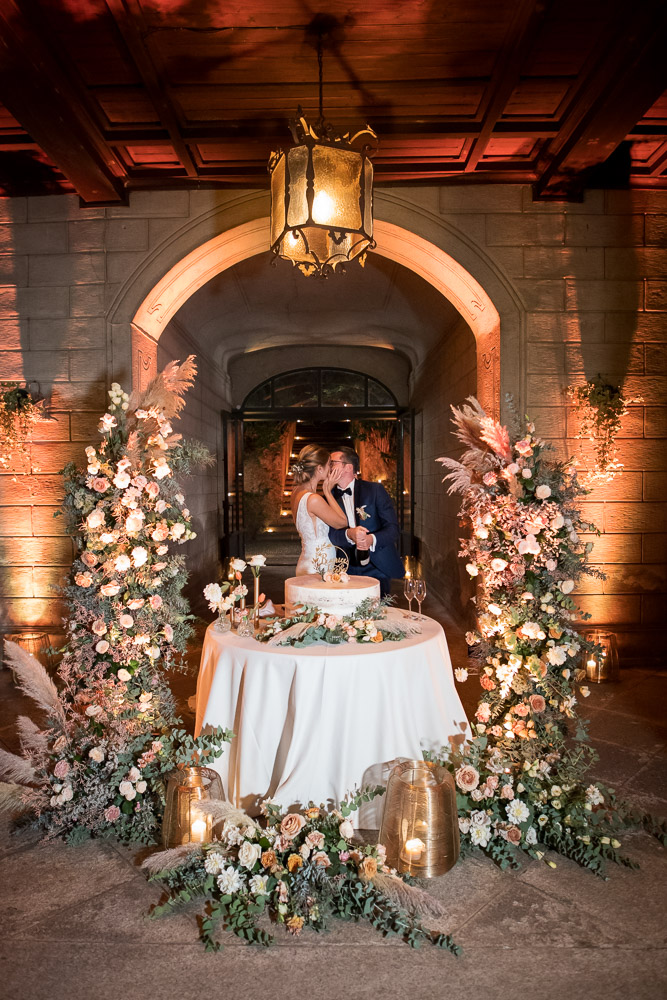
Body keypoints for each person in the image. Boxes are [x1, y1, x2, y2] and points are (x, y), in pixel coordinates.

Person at [327, 446, 404, 598]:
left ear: (348, 467)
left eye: (332, 462)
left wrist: (371, 539)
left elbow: (393, 528)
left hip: (377, 565)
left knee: (378, 615)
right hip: (344, 567)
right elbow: (329, 534)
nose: (328, 467)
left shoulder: (374, 490)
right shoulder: (327, 497)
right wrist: (349, 534)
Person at [290, 444, 349, 577]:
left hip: (308, 560)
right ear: (319, 468)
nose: (331, 469)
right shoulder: (313, 499)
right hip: (318, 564)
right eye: (329, 464)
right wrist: (327, 491)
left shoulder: (296, 492)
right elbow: (342, 522)